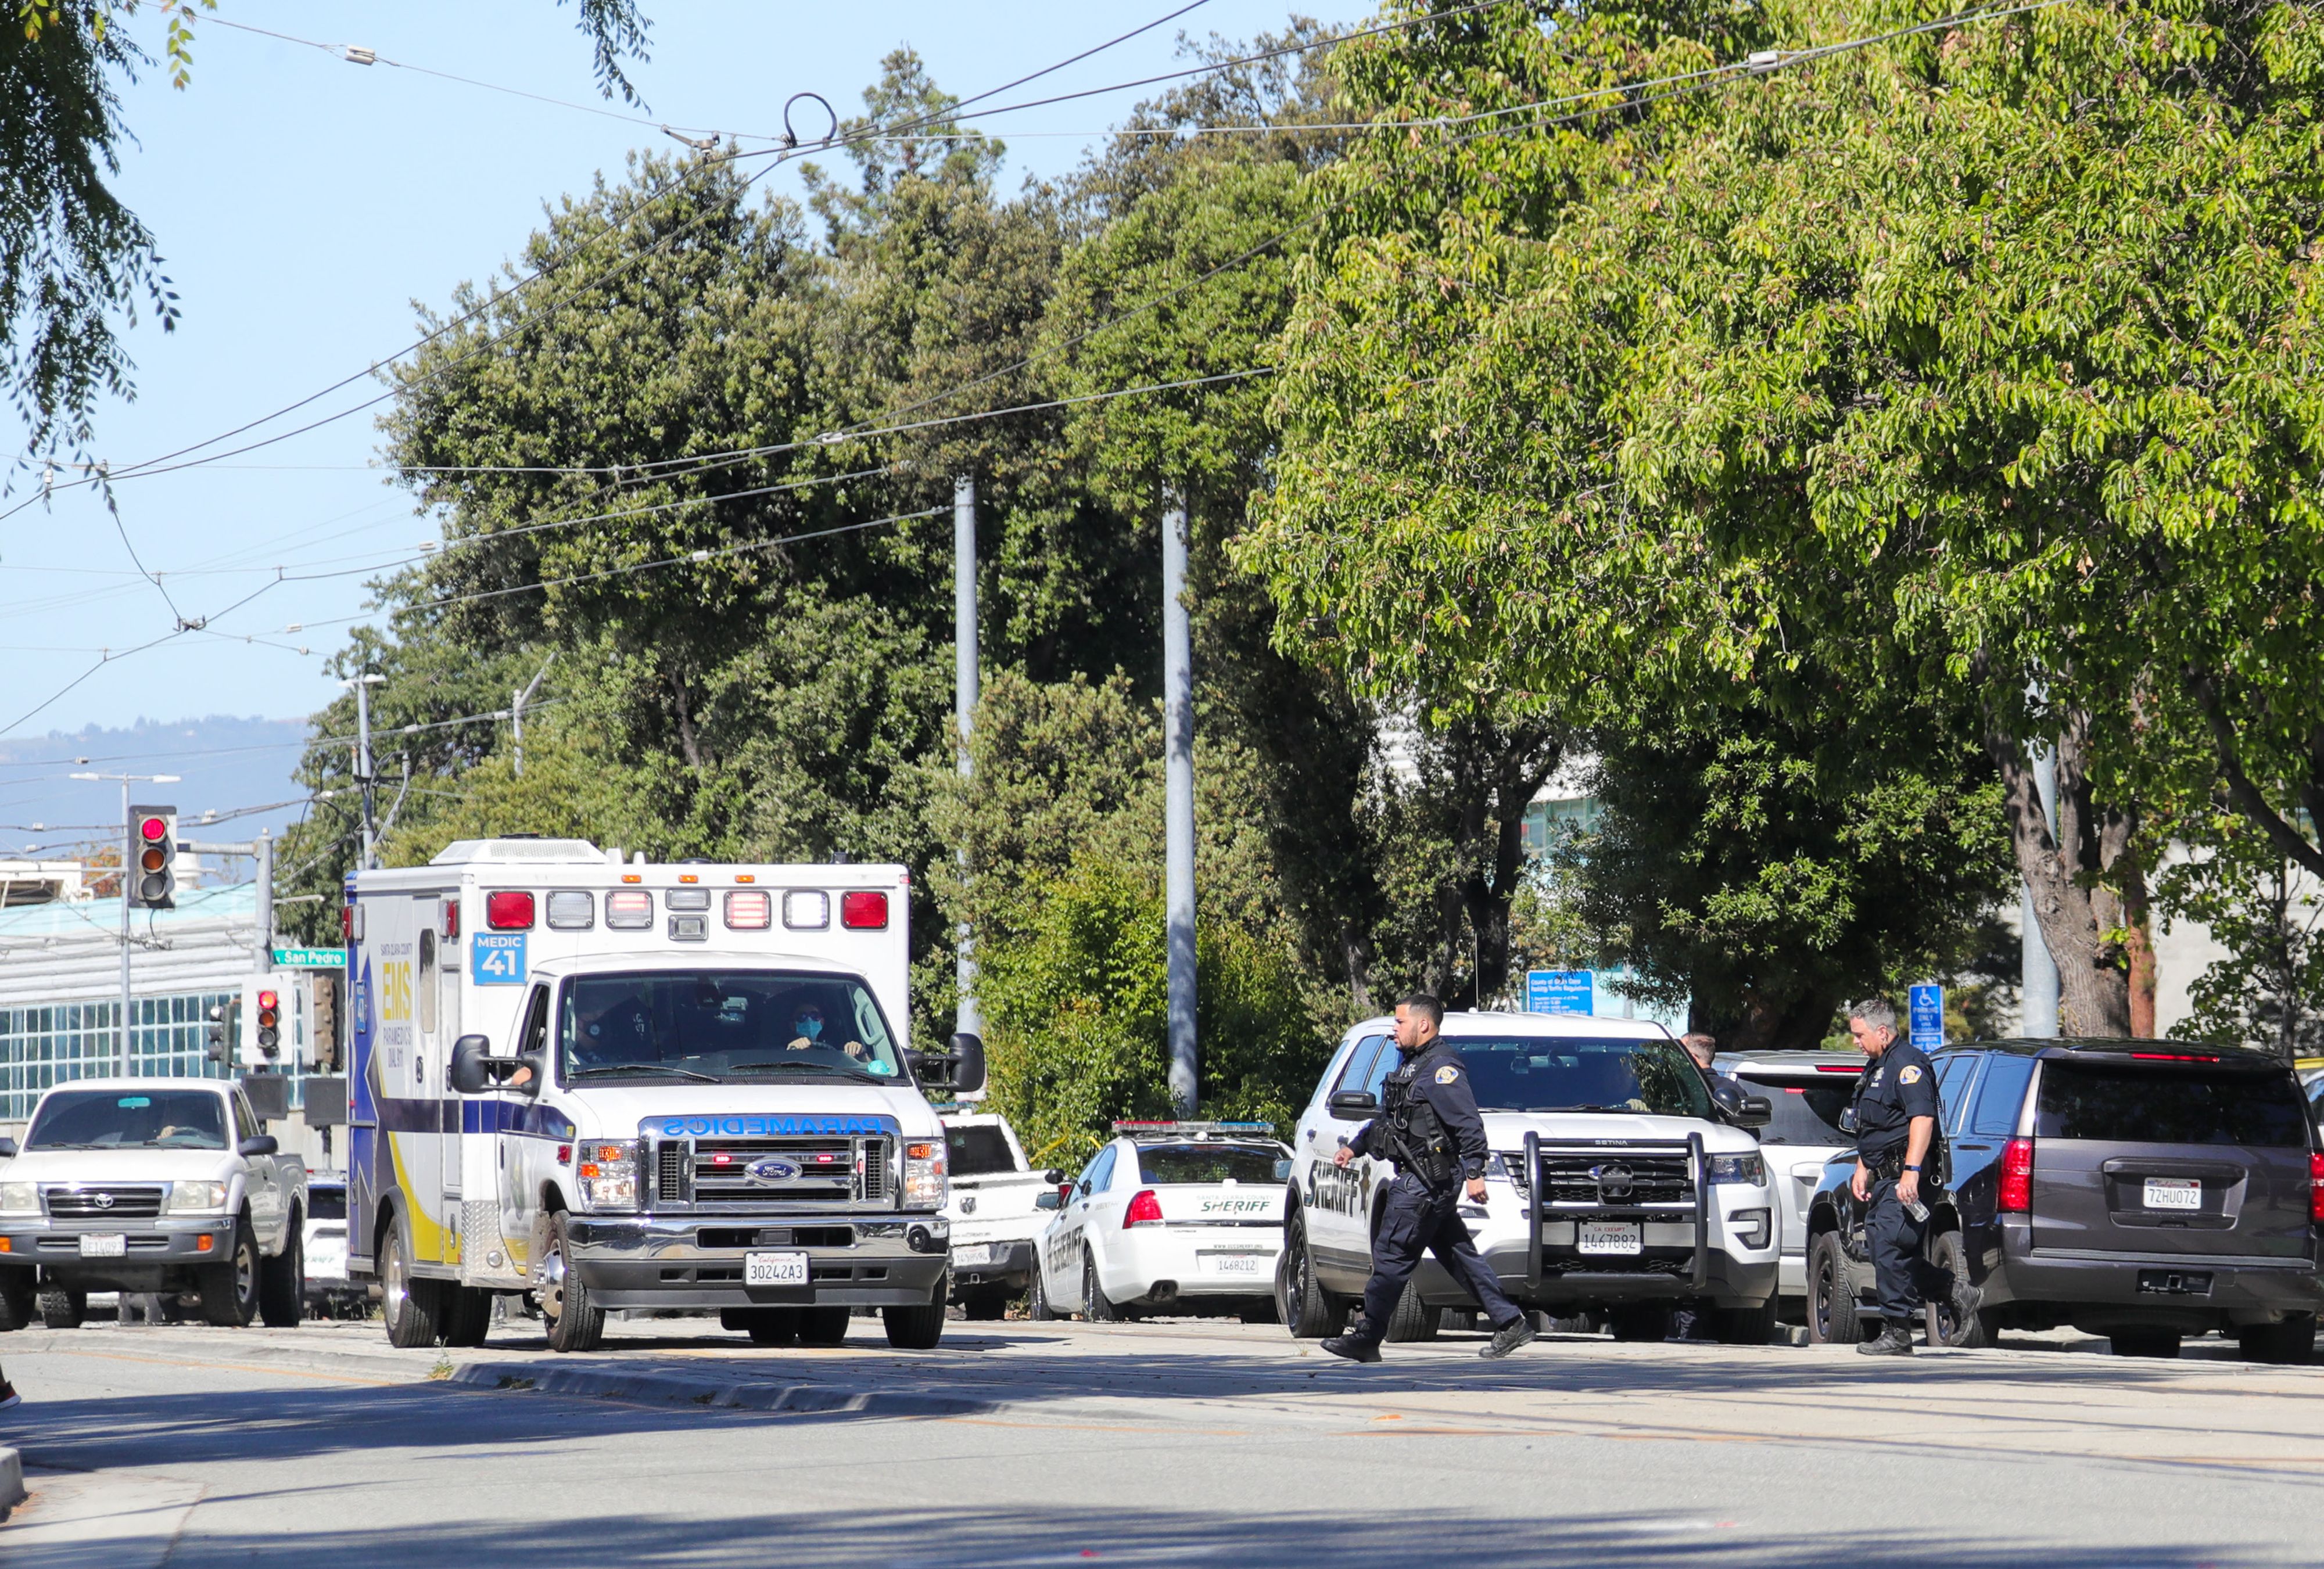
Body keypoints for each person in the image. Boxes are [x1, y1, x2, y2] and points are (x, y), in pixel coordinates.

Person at [1322, 993, 1538, 1364]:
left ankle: (1369, 1335)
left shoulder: (1442, 1070)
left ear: (1424, 1024)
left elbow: (1469, 1124)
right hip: (1423, 1180)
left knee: (1391, 1253)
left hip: (1426, 1181)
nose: (1394, 1029)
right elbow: (1390, 1123)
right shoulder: (1412, 1067)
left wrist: (1475, 1172)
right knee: (1458, 1255)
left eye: (1400, 1022)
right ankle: (1509, 1321)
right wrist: (1355, 1147)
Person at [1845, 997, 1960, 1355]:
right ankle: (1952, 1291)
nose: (1855, 1041)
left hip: (1907, 1175)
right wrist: (1863, 1166)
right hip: (1883, 1176)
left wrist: (1910, 1172)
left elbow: (1922, 1120)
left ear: (1882, 1031)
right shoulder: (1876, 1065)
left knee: (1891, 1244)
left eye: (1859, 1035)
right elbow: (1876, 1124)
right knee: (1884, 1246)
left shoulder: (1909, 1065)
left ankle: (1898, 1331)